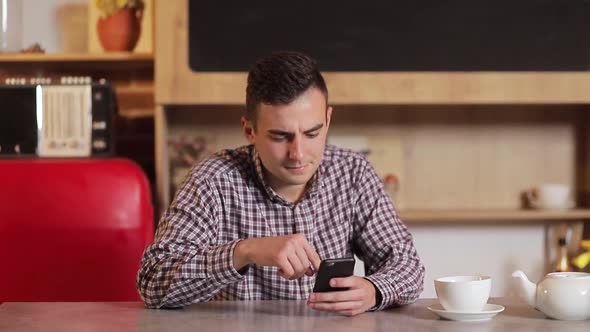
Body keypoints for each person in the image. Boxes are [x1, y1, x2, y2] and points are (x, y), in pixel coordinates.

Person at [137, 51, 425, 316]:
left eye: (312, 133)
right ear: (249, 130)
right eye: (279, 136)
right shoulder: (213, 180)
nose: (298, 154)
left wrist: (373, 291)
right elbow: (152, 282)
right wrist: (244, 251)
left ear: (327, 119)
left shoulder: (353, 173)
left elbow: (408, 266)